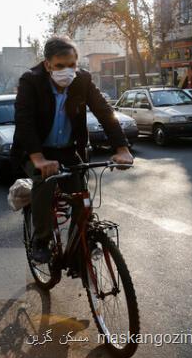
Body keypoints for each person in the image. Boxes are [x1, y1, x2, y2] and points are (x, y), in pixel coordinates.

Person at [12, 36, 134, 263]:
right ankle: (41, 239)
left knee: (81, 197)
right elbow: (24, 121)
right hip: (35, 150)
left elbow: (105, 112)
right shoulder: (31, 81)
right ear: (48, 64)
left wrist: (121, 148)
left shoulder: (83, 80)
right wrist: (38, 159)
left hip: (68, 150)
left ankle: (80, 245)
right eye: (60, 66)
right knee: (44, 181)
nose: (67, 71)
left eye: (72, 65)